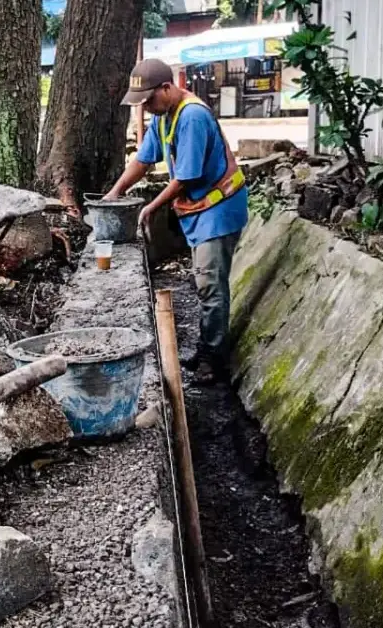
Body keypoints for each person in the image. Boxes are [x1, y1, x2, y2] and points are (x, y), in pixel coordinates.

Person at [103, 58, 248, 384]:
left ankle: (215, 358)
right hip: (200, 210)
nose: (147, 107)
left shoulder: (192, 116)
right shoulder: (164, 117)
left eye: (150, 99)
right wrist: (114, 192)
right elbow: (143, 160)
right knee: (202, 281)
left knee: (211, 284)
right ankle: (205, 346)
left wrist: (151, 206)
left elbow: (186, 176)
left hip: (220, 208)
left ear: (167, 88)